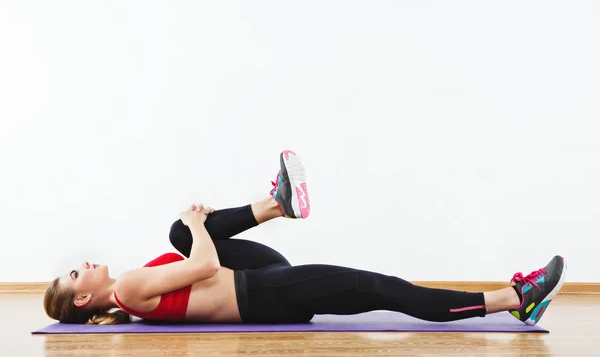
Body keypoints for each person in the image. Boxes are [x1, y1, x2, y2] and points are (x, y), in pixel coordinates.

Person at [44, 150, 566, 326]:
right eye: (74, 275)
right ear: (84, 297)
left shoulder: (133, 286)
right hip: (267, 295)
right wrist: (199, 224)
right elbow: (203, 267)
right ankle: (515, 299)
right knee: (383, 288)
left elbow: (201, 263)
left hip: (259, 276)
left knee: (176, 231)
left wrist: (192, 228)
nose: (82, 264)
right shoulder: (129, 287)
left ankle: (279, 204)